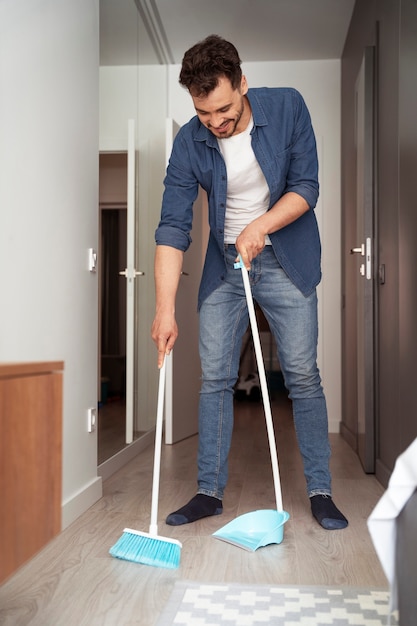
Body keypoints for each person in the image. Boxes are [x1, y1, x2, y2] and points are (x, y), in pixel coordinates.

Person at [151, 34, 348, 530]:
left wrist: (258, 227)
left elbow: (307, 187)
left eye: (223, 110)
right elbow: (173, 227)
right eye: (203, 114)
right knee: (214, 376)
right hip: (224, 264)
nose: (215, 123)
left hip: (286, 256)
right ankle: (208, 493)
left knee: (302, 374)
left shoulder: (287, 108)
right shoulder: (188, 142)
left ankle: (321, 490)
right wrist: (165, 308)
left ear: (243, 83)